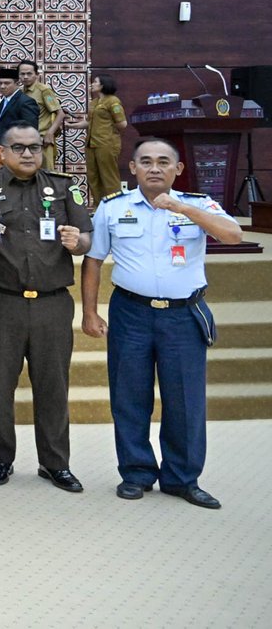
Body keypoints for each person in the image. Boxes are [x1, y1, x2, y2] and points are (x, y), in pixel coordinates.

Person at [81, 137, 243, 509]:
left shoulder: (199, 204)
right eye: (146, 161)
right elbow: (94, 259)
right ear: (133, 167)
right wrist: (90, 312)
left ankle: (182, 478)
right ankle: (136, 473)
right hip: (131, 313)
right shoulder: (112, 207)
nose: (155, 168)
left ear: (178, 169)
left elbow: (233, 235)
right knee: (129, 396)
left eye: (163, 162)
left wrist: (182, 208)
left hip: (183, 315)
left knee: (185, 400)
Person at [0, 125, 91, 493]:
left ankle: (55, 463)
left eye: (34, 147)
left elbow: (86, 237)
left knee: (53, 385)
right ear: (1, 152)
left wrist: (78, 242)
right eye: (18, 147)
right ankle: (0, 458)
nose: (27, 154)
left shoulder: (64, 187)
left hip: (52, 303)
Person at [84, 74, 129, 201]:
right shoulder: (94, 102)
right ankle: (98, 206)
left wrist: (107, 129)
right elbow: (88, 122)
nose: (92, 84)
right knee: (93, 176)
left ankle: (114, 205)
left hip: (106, 143)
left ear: (103, 85)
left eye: (95, 82)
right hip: (91, 143)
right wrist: (71, 125)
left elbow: (122, 123)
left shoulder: (113, 101)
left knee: (108, 176)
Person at [18, 60, 64, 168]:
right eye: (22, 74)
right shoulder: (19, 92)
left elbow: (60, 113)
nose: (25, 77)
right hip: (25, 140)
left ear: (36, 75)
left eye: (29, 73)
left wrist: (50, 133)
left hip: (42, 140)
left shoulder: (44, 91)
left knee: (46, 173)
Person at [0, 67, 39, 146]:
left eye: (7, 83)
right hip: (2, 147)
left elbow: (30, 130)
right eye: (0, 83)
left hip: (16, 148)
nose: (2, 86)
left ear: (17, 83)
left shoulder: (26, 102)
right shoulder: (3, 102)